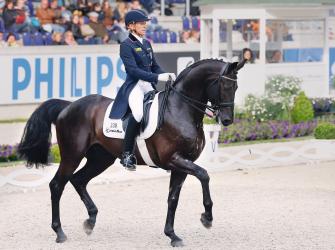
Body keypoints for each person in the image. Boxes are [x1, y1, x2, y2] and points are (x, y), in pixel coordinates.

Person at [110, 9, 176, 171]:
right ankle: (126, 155)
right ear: (131, 26)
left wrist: (165, 74)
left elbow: (154, 66)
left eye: (145, 23)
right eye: (141, 23)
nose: (145, 25)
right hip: (134, 86)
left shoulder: (146, 44)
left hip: (148, 85)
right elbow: (132, 70)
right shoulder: (126, 45)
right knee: (139, 113)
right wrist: (156, 78)